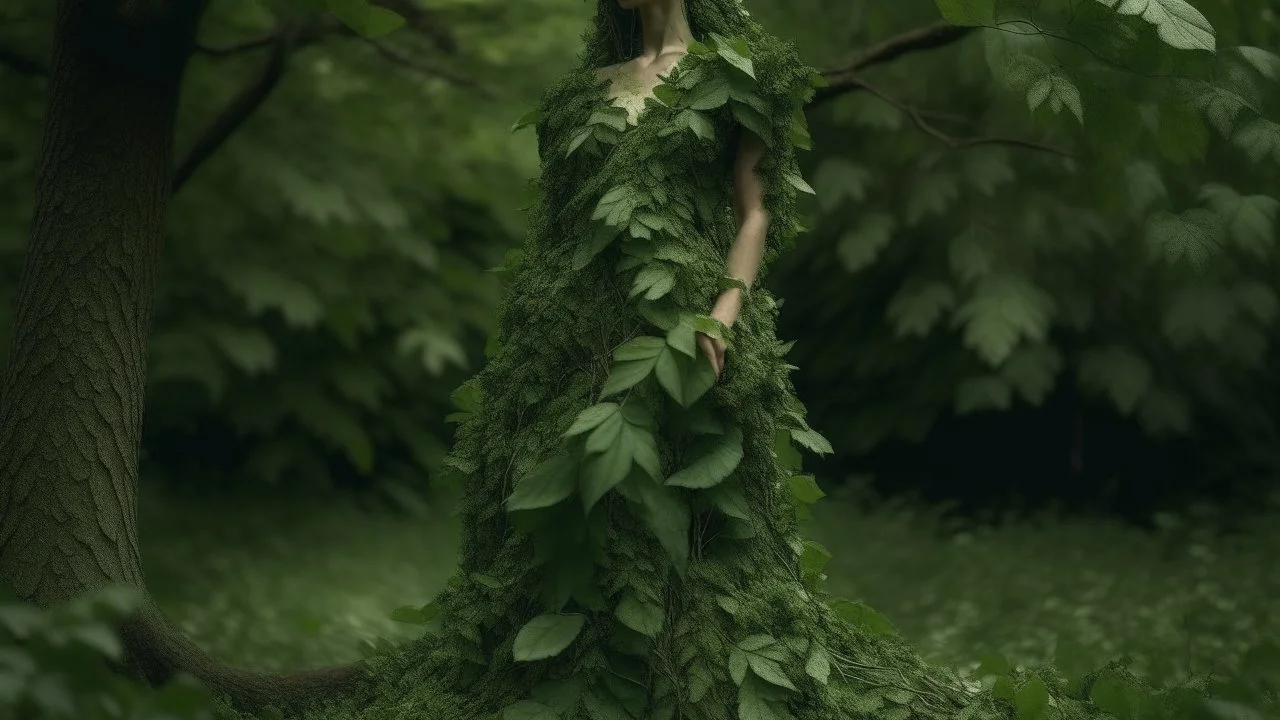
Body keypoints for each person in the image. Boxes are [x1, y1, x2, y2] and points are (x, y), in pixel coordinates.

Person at [348, 2, 976, 718]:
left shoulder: (732, 75)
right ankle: (563, 680)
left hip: (684, 329)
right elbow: (559, 227)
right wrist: (537, 331)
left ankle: (681, 688)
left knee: (682, 514)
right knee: (572, 508)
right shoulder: (587, 91)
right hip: (570, 339)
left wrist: (724, 313)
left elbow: (757, 213)